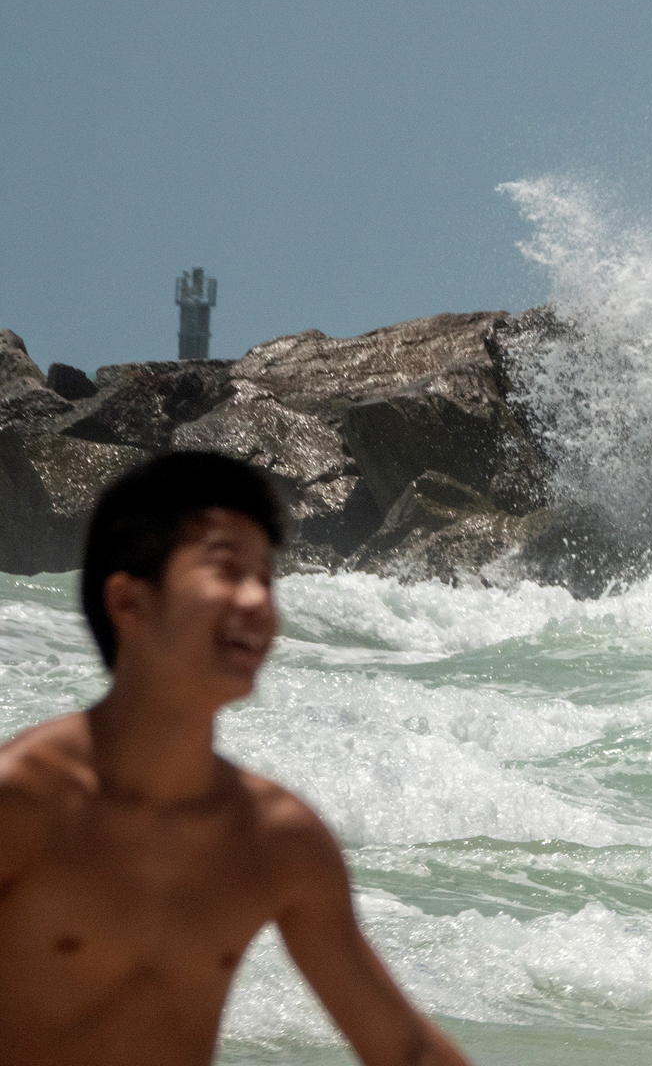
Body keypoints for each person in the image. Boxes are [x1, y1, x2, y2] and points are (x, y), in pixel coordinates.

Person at [0, 452, 471, 1066]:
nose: (256, 601)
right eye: (226, 570)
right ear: (128, 602)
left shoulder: (276, 840)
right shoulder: (21, 804)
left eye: (267, 579)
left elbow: (403, 1049)